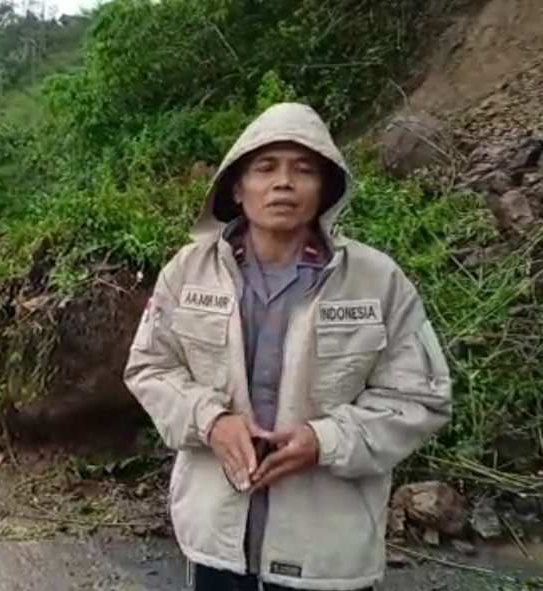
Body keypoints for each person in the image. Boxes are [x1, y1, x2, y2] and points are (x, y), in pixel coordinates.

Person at [124, 103, 453, 591]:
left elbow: (421, 398)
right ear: (236, 187)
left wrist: (325, 441)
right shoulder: (187, 271)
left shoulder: (376, 280)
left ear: (325, 190)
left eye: (304, 170)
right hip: (216, 541)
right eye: (265, 168)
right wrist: (210, 420)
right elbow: (150, 367)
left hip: (327, 551)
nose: (284, 183)